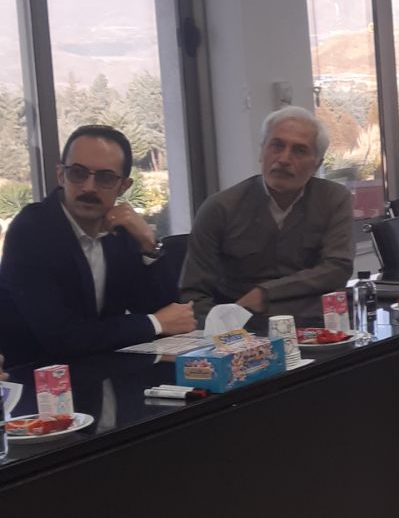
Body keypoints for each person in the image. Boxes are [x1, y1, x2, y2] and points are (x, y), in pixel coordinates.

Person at [0, 124, 192, 363]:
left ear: (124, 186)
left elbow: (172, 315)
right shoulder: (32, 230)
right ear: (61, 175)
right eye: (78, 173)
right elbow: (62, 338)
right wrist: (154, 323)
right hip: (35, 375)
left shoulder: (121, 229)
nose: (89, 187)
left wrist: (148, 245)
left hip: (101, 369)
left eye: (105, 177)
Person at [181, 106, 353, 326]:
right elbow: (193, 293)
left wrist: (265, 294)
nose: (284, 159)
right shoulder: (220, 208)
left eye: (299, 150)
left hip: (313, 327)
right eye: (277, 146)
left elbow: (337, 269)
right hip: (242, 328)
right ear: (261, 152)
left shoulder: (333, 198)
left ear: (317, 163)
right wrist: (220, 327)